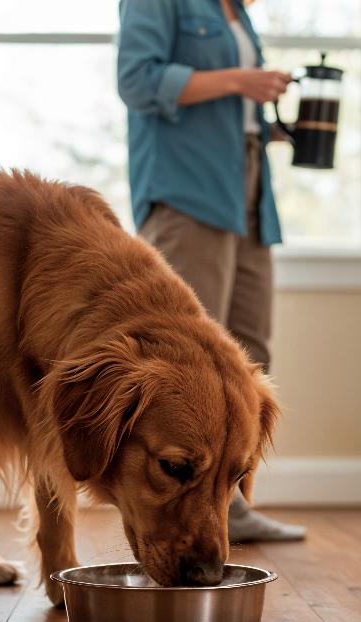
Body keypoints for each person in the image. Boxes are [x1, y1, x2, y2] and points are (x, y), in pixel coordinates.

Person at [117, 0, 305, 542]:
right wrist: (238, 81)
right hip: (188, 189)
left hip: (246, 184)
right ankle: (172, 518)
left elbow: (227, 100)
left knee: (249, 355)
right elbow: (137, 81)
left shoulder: (237, 11)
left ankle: (231, 511)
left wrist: (265, 125)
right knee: (187, 359)